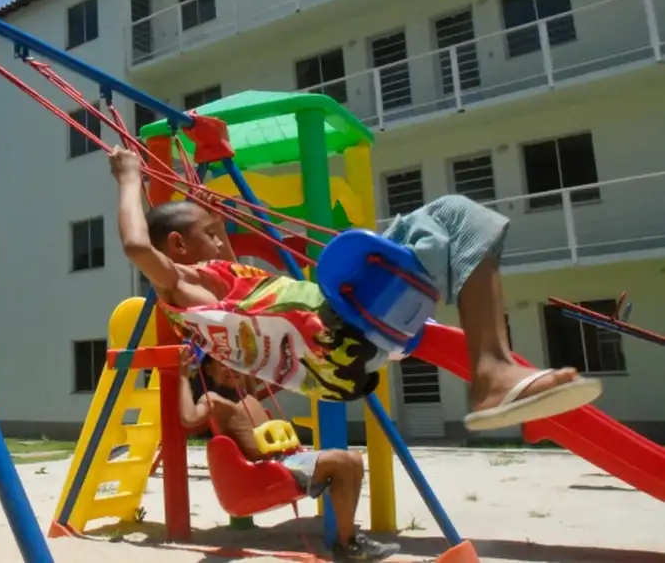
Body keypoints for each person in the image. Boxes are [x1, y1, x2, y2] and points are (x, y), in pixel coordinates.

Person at [108, 144, 600, 432]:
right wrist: (129, 178)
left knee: (454, 228)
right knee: (455, 214)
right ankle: (492, 375)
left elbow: (235, 280)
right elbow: (136, 246)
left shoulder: (224, 290)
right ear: (177, 246)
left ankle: (494, 373)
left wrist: (205, 209)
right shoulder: (182, 287)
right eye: (213, 235)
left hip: (344, 351)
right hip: (336, 332)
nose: (224, 241)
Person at [179, 350, 399, 561]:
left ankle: (349, 540)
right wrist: (181, 376)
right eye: (223, 364)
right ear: (207, 369)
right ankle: (348, 545)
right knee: (340, 461)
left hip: (284, 460)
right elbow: (188, 418)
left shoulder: (245, 393)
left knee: (354, 460)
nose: (231, 369)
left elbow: (249, 368)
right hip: (266, 472)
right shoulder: (213, 399)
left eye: (234, 364)